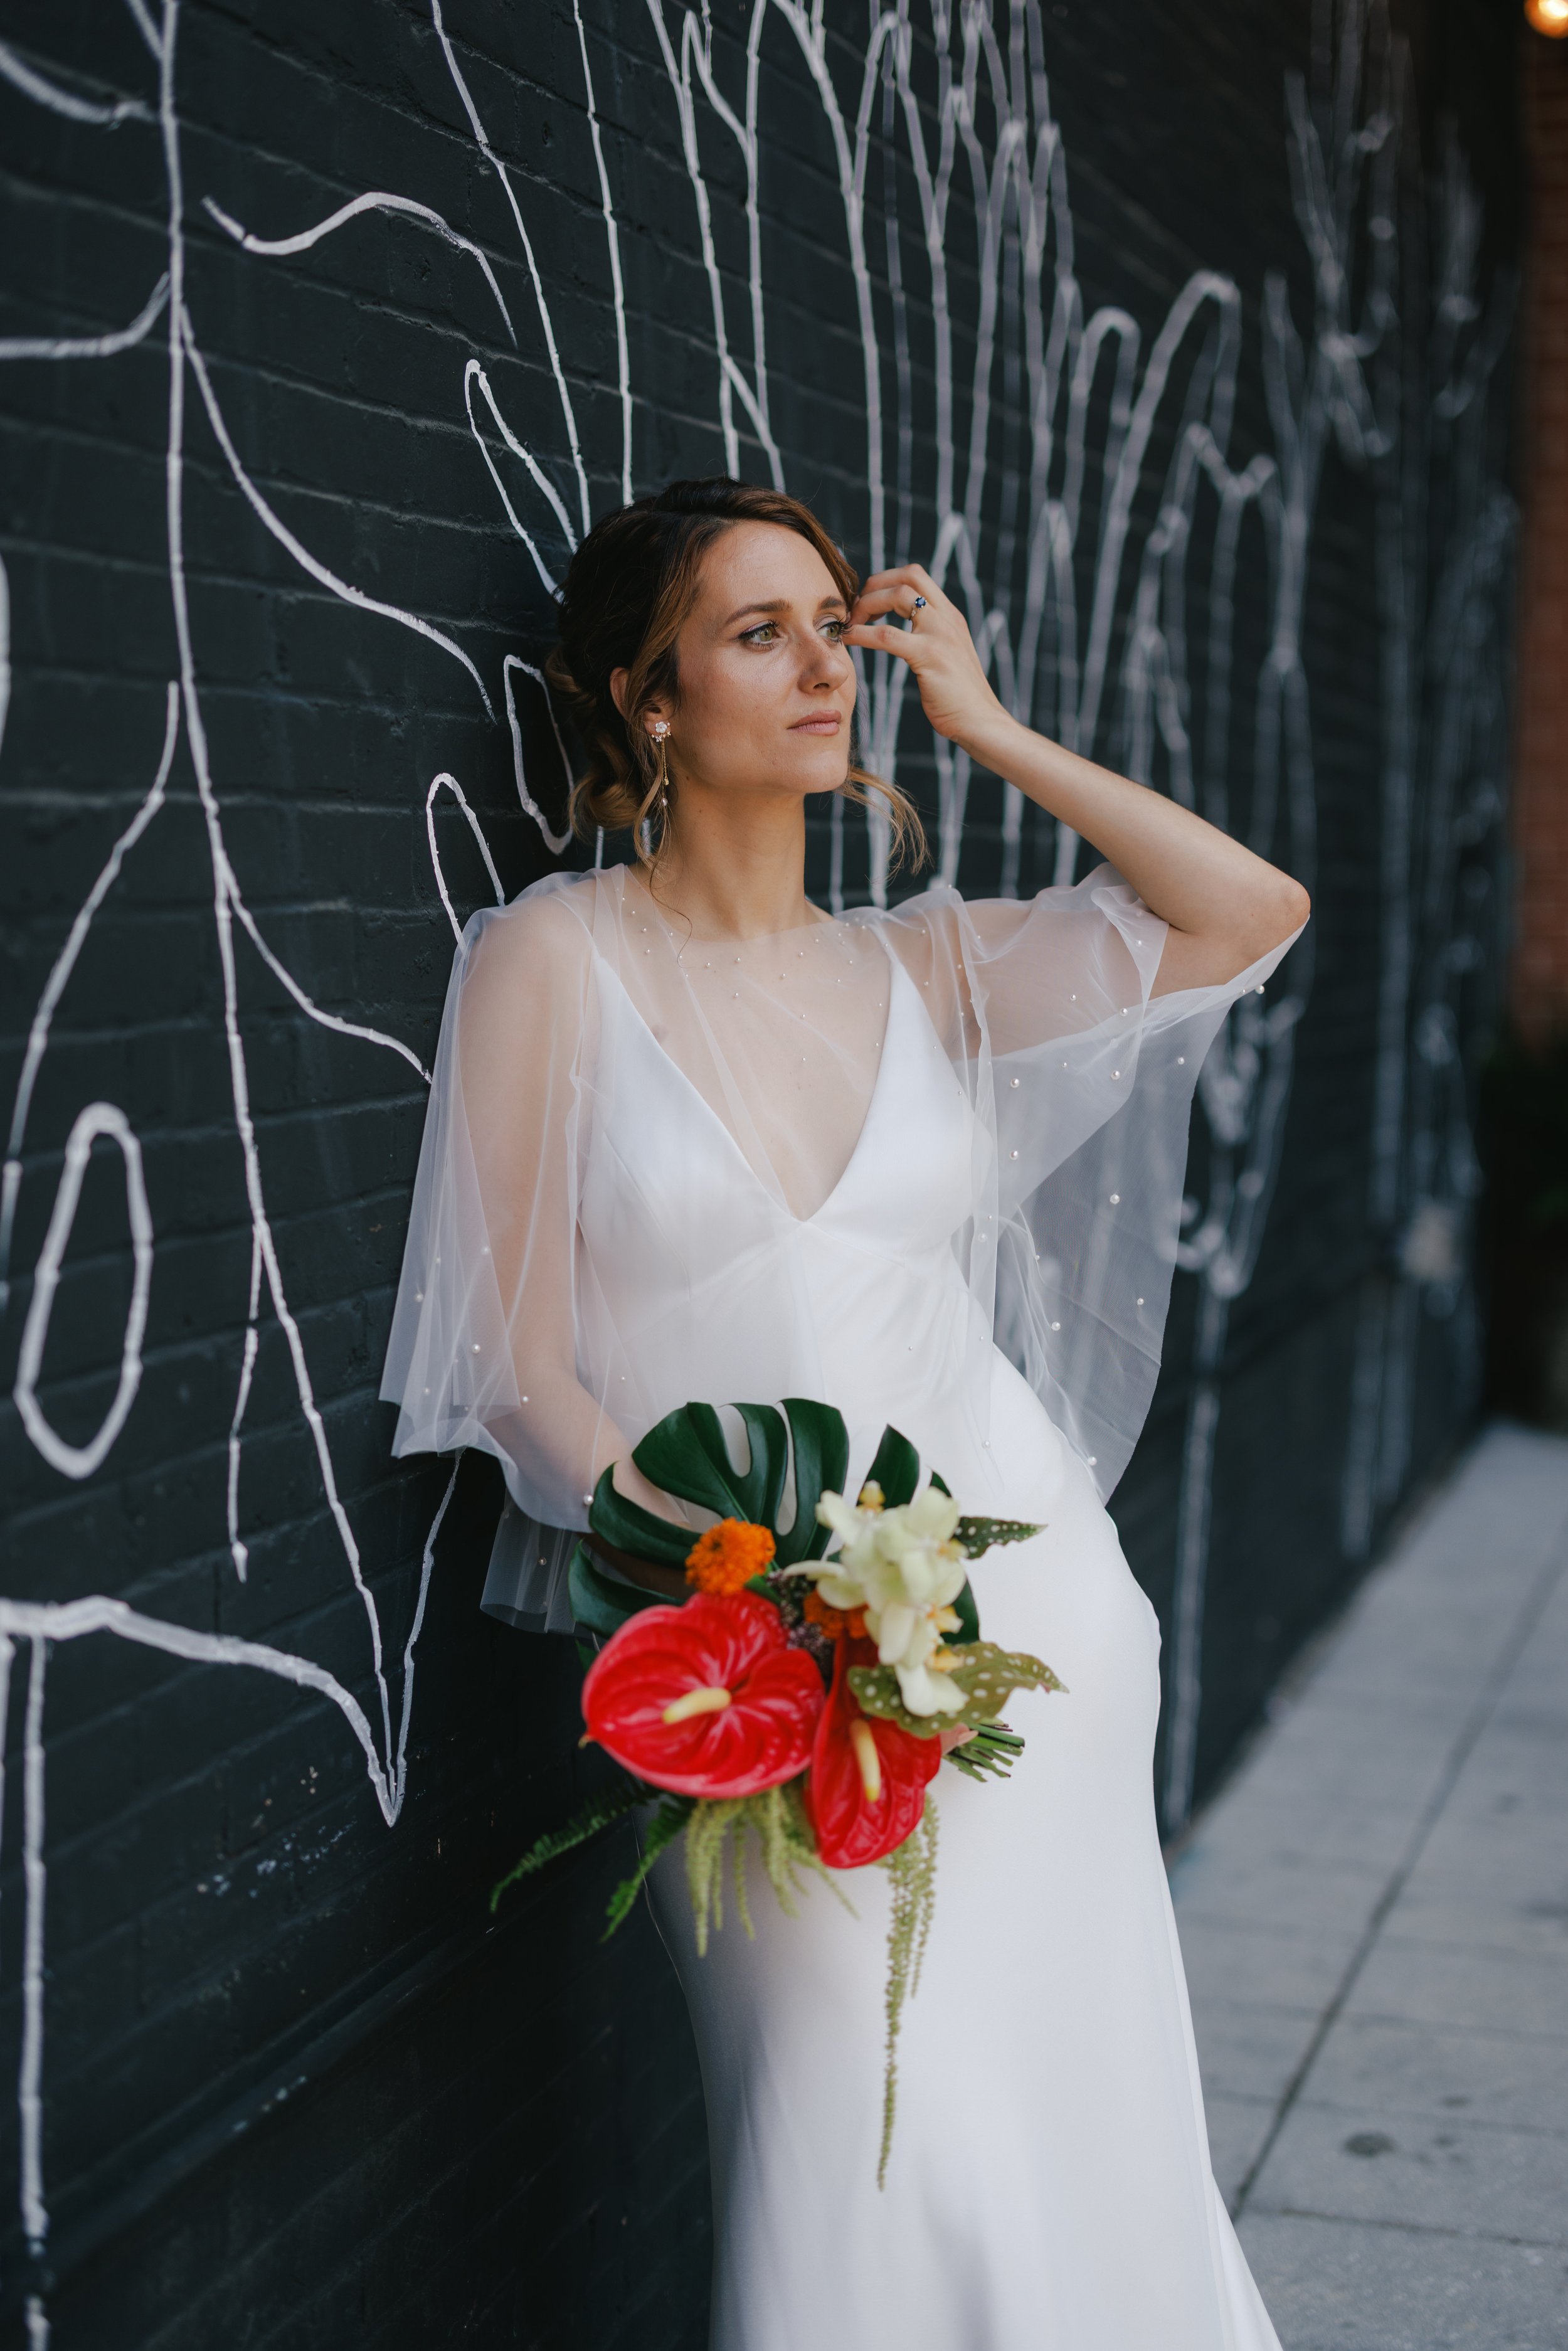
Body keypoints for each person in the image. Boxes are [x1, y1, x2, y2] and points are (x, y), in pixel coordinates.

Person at [382, 477, 1306, 2348]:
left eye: (834, 626)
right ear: (646, 699)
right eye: (758, 633)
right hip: (745, 1660)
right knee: (856, 2139)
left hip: (1027, 1629)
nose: (824, 667)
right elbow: (516, 1372)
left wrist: (989, 726)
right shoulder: (554, 959)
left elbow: (1247, 913)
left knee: (1073, 2117)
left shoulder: (922, 963)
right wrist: (739, 1591)